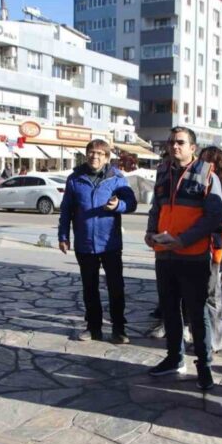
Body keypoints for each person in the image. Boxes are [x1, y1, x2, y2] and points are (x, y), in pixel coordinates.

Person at [145, 127, 222, 390]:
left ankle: (204, 365)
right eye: (171, 142)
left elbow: (213, 217)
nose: (174, 146)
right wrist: (150, 232)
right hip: (165, 256)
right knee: (169, 310)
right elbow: (156, 207)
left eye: (180, 142)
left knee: (197, 314)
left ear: (193, 147)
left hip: (193, 257)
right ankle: (174, 358)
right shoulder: (163, 172)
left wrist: (184, 240)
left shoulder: (208, 175)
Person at [58, 139, 137, 343]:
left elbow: (131, 203)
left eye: (100, 154)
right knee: (89, 288)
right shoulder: (75, 179)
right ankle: (93, 328)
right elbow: (66, 210)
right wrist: (63, 236)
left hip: (110, 243)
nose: (95, 156)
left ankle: (119, 329)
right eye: (91, 152)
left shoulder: (117, 179)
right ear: (86, 155)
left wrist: (118, 205)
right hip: (84, 244)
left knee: (116, 288)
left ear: (107, 158)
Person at [198, 146, 222, 353]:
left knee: (212, 295)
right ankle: (200, 335)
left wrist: (208, 222)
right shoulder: (199, 183)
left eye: (207, 161)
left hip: (216, 247)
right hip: (197, 245)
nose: (202, 165)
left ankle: (214, 340)